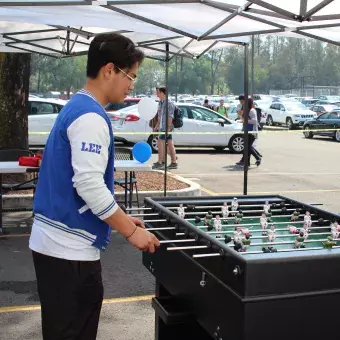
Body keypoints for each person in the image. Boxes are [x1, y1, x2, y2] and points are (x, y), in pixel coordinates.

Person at [29, 33, 160, 340]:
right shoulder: (90, 117)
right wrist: (131, 231)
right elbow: (89, 185)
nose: (131, 86)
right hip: (68, 252)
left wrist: (124, 219)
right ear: (109, 70)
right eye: (130, 76)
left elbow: (86, 184)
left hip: (58, 246)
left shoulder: (77, 106)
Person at [152, 86, 178, 170]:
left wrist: (168, 128)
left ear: (162, 93)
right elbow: (160, 116)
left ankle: (161, 162)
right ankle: (174, 162)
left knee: (160, 143)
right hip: (162, 127)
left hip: (166, 127)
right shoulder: (161, 102)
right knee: (169, 143)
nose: (156, 93)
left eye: (158, 92)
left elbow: (170, 116)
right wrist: (157, 125)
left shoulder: (169, 103)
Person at [236, 97, 262, 167]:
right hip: (246, 130)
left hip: (251, 131)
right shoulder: (246, 110)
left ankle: (258, 157)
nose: (244, 103)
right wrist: (240, 116)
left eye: (246, 102)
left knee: (248, 147)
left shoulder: (252, 110)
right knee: (247, 147)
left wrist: (245, 120)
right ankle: (247, 162)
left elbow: (255, 121)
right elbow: (244, 120)